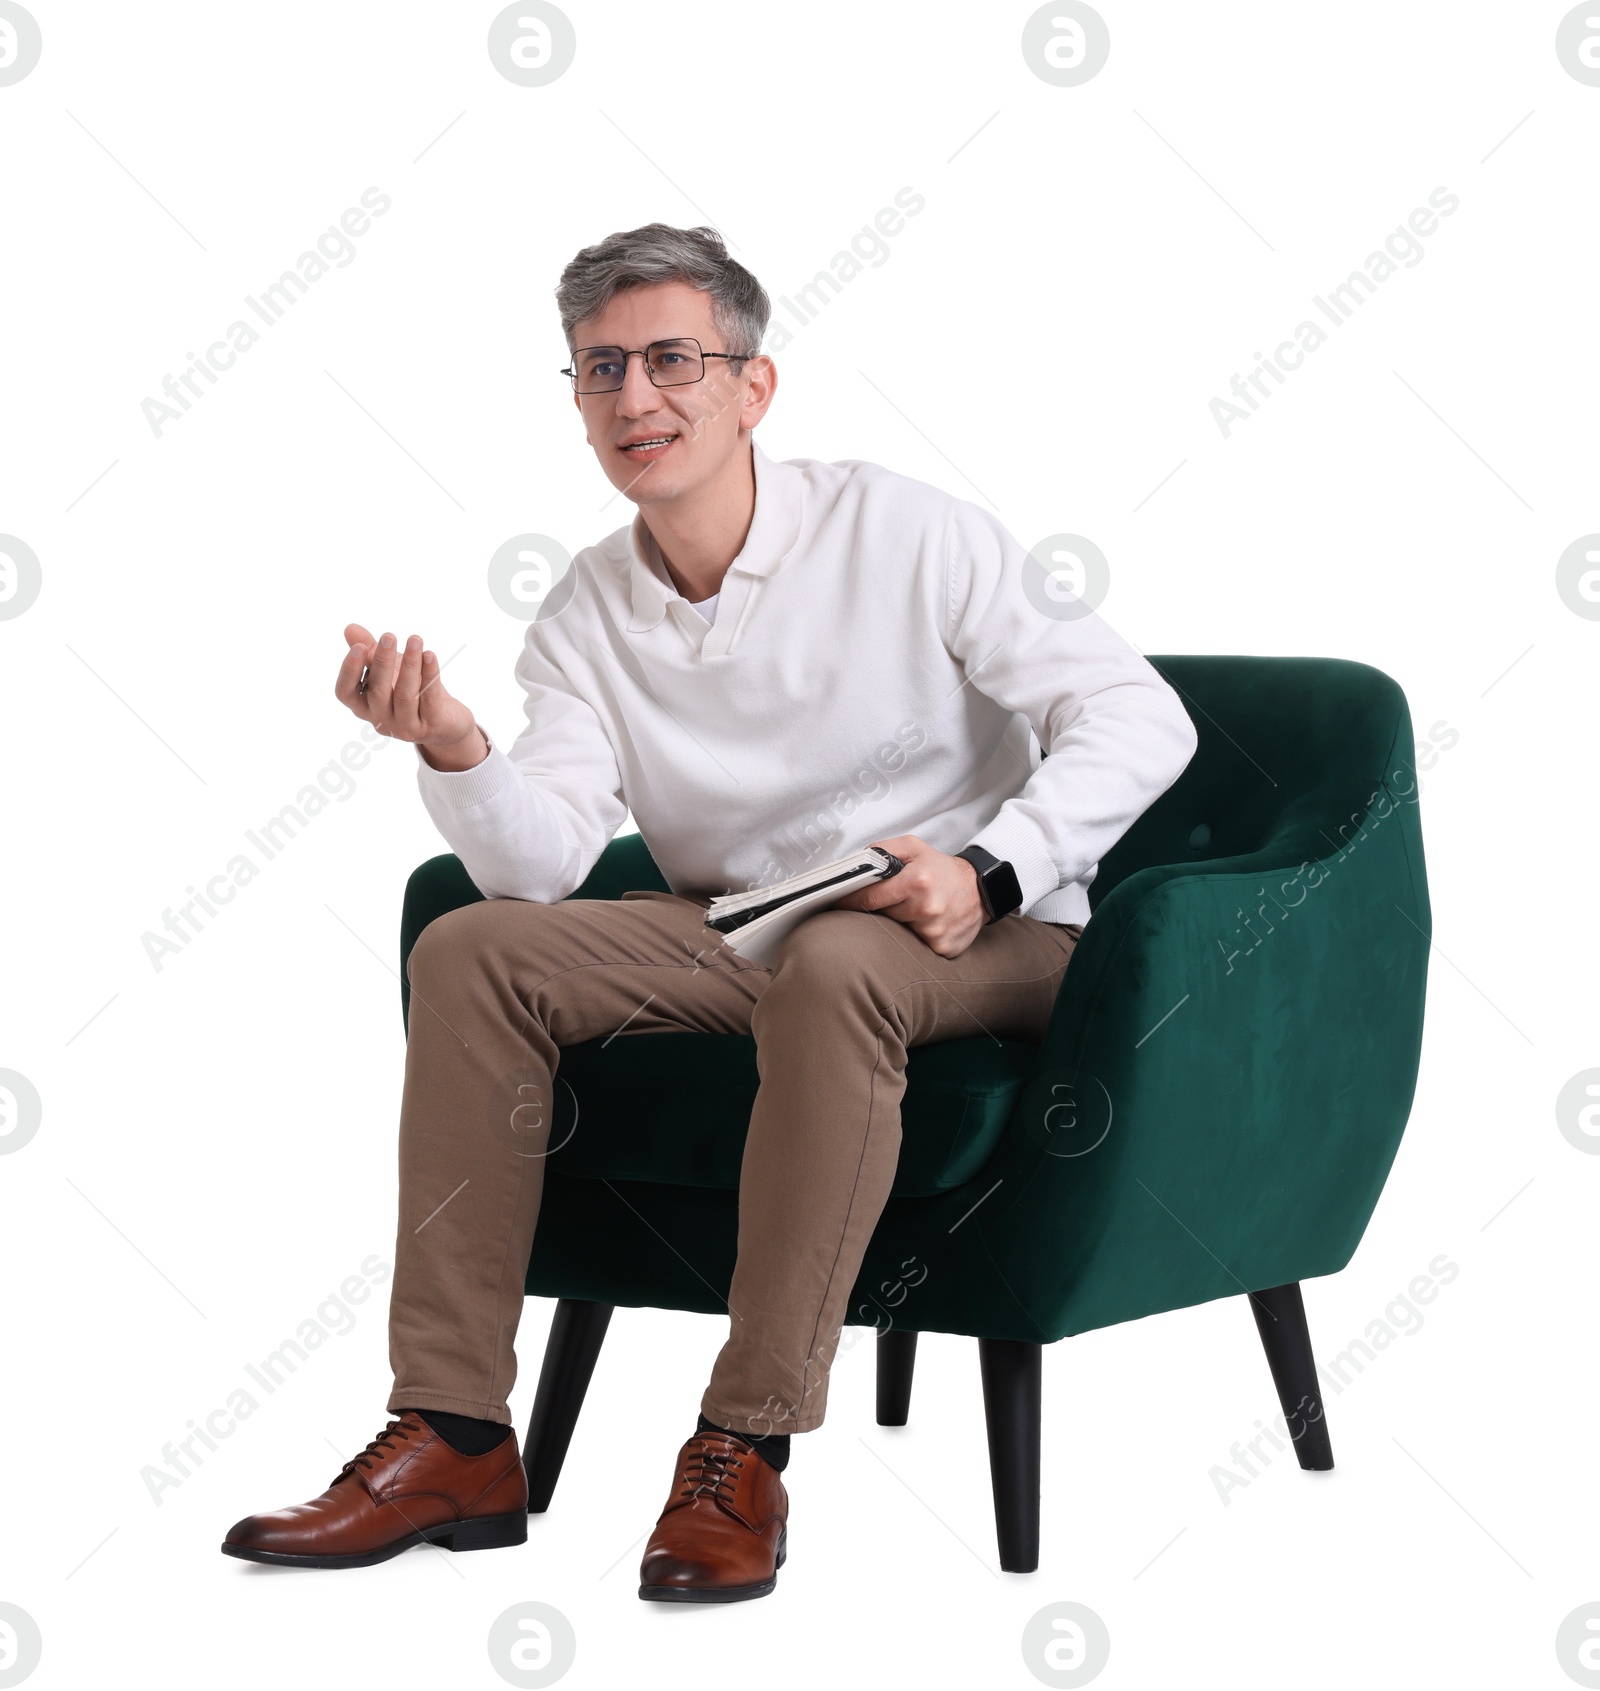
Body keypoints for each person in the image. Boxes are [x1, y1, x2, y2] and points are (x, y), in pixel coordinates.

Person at [220, 222, 1198, 1600]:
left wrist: (995, 866)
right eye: (600, 369)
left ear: (755, 386)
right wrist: (455, 747)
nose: (636, 399)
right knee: (475, 948)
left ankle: (741, 1447)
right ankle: (452, 1434)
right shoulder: (581, 614)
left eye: (673, 359)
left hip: (983, 930)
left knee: (844, 966)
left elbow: (1134, 713)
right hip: (745, 931)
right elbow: (543, 868)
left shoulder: (904, 529)